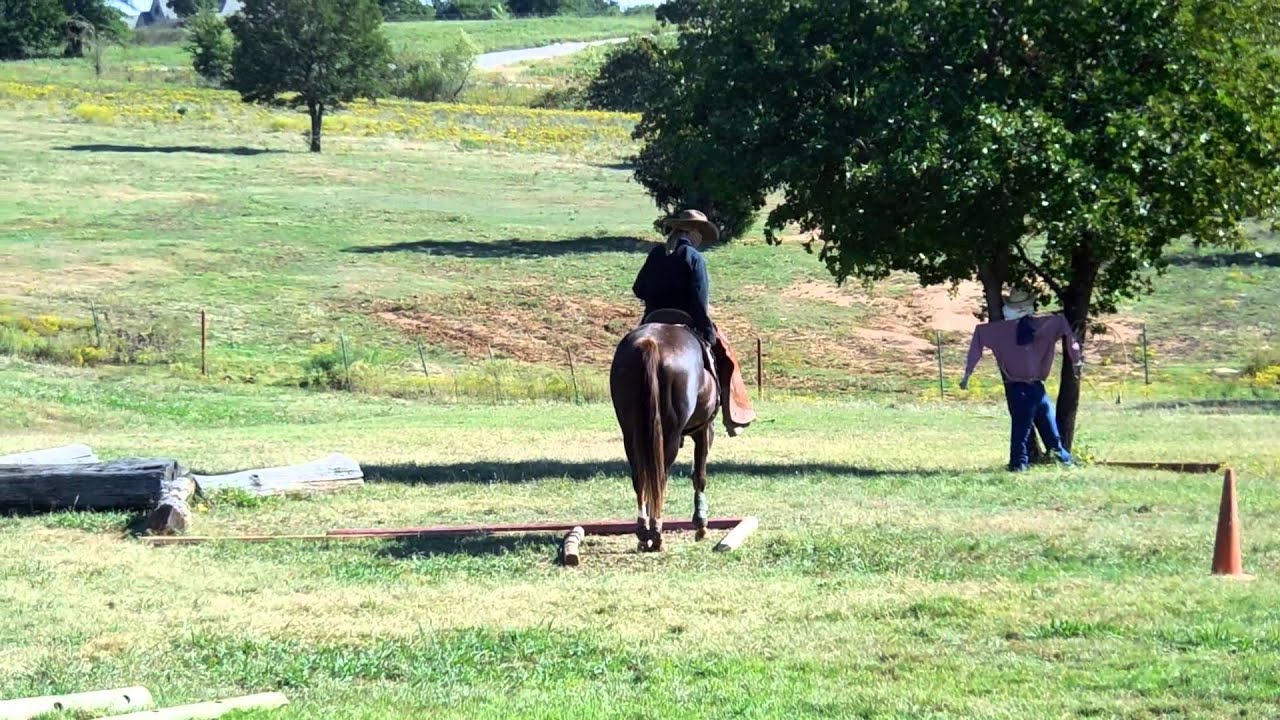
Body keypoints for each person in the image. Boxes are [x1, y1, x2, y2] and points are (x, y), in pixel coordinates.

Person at [630, 208, 756, 436]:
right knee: (726, 357)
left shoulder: (657, 253)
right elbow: (700, 301)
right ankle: (732, 416)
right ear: (692, 231)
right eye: (700, 232)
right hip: (686, 320)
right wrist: (707, 329)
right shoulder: (694, 257)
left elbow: (638, 289)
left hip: (652, 319)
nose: (701, 239)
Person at [960, 288, 1083, 472]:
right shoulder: (1044, 325)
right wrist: (1076, 360)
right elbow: (1063, 326)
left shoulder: (1002, 330)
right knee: (1024, 429)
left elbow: (979, 335)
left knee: (1041, 428)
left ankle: (1059, 459)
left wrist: (968, 374)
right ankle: (1020, 464)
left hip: (1031, 387)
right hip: (1025, 387)